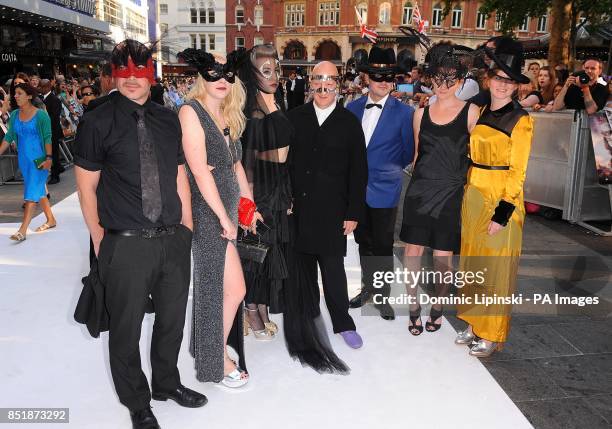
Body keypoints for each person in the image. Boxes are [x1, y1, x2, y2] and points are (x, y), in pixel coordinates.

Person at [74, 40, 207, 429]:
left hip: (173, 239)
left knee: (171, 320)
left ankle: (167, 383)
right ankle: (137, 401)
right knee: (126, 328)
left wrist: (188, 229)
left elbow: (179, 174)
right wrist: (101, 241)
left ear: (152, 74)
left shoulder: (168, 119)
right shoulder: (96, 121)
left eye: (140, 72)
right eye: (124, 72)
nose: (132, 80)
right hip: (126, 242)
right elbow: (85, 188)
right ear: (114, 74)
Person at [178, 48, 256, 387]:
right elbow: (200, 171)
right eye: (214, 73)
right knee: (219, 289)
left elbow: (235, 165)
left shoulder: (227, 113)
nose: (223, 80)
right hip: (207, 213)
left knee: (232, 288)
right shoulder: (190, 111)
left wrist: (247, 206)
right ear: (201, 76)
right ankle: (215, 364)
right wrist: (224, 217)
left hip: (225, 212)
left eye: (229, 74)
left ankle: (208, 348)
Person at [455, 38, 534, 358]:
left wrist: (502, 214)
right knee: (473, 264)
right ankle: (475, 323)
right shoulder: (481, 109)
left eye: (509, 81)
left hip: (501, 198)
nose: (503, 85)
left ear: (516, 86)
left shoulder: (522, 120)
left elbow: (518, 173)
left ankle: (491, 332)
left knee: (496, 270)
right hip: (473, 194)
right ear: (489, 80)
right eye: (498, 78)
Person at [399, 43, 480, 335]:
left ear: (460, 81)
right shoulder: (420, 114)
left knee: (443, 255)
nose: (443, 85)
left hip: (450, 195)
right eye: (438, 78)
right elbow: (418, 156)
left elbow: (479, 159)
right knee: (412, 251)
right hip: (420, 191)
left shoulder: (472, 113)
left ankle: (438, 305)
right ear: (431, 77)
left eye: (450, 79)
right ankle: (413, 307)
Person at [287, 61, 368, 349]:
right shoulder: (294, 117)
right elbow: (285, 164)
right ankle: (306, 319)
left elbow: (359, 172)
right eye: (318, 79)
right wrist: (286, 200)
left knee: (333, 270)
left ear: (339, 83)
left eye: (329, 79)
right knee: (302, 268)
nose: (323, 85)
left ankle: (343, 322)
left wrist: (353, 212)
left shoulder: (349, 122)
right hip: (299, 209)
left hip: (334, 211)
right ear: (310, 82)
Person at [346, 46, 415, 321]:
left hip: (386, 189)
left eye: (388, 78)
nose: (383, 82)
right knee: (363, 241)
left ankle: (382, 295)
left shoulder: (404, 113)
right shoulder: (351, 109)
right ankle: (367, 287)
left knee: (383, 244)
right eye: (377, 77)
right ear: (367, 79)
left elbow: (408, 152)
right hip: (356, 190)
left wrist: (387, 172)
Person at [237, 44, 287, 340]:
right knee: (255, 255)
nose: (274, 76)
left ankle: (261, 307)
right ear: (252, 74)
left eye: (276, 69)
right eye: (266, 71)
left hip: (277, 190)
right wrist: (249, 205)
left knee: (266, 256)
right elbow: (251, 162)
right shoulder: (254, 112)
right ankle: (251, 311)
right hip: (259, 194)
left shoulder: (274, 102)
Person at [0, 83, 56, 242]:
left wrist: (49, 158)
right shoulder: (15, 114)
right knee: (38, 189)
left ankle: (22, 230)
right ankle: (51, 220)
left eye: (19, 93)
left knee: (31, 193)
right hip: (24, 161)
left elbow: (47, 138)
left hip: (40, 160)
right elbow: (9, 136)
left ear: (29, 96)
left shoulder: (41, 115)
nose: (15, 96)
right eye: (15, 93)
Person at [39, 79, 64, 185]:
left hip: (52, 131)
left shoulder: (54, 99)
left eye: (43, 87)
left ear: (49, 87)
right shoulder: (40, 99)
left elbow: (54, 117)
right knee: (48, 153)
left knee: (53, 153)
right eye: (40, 87)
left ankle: (55, 175)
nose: (41, 89)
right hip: (44, 131)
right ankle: (57, 168)